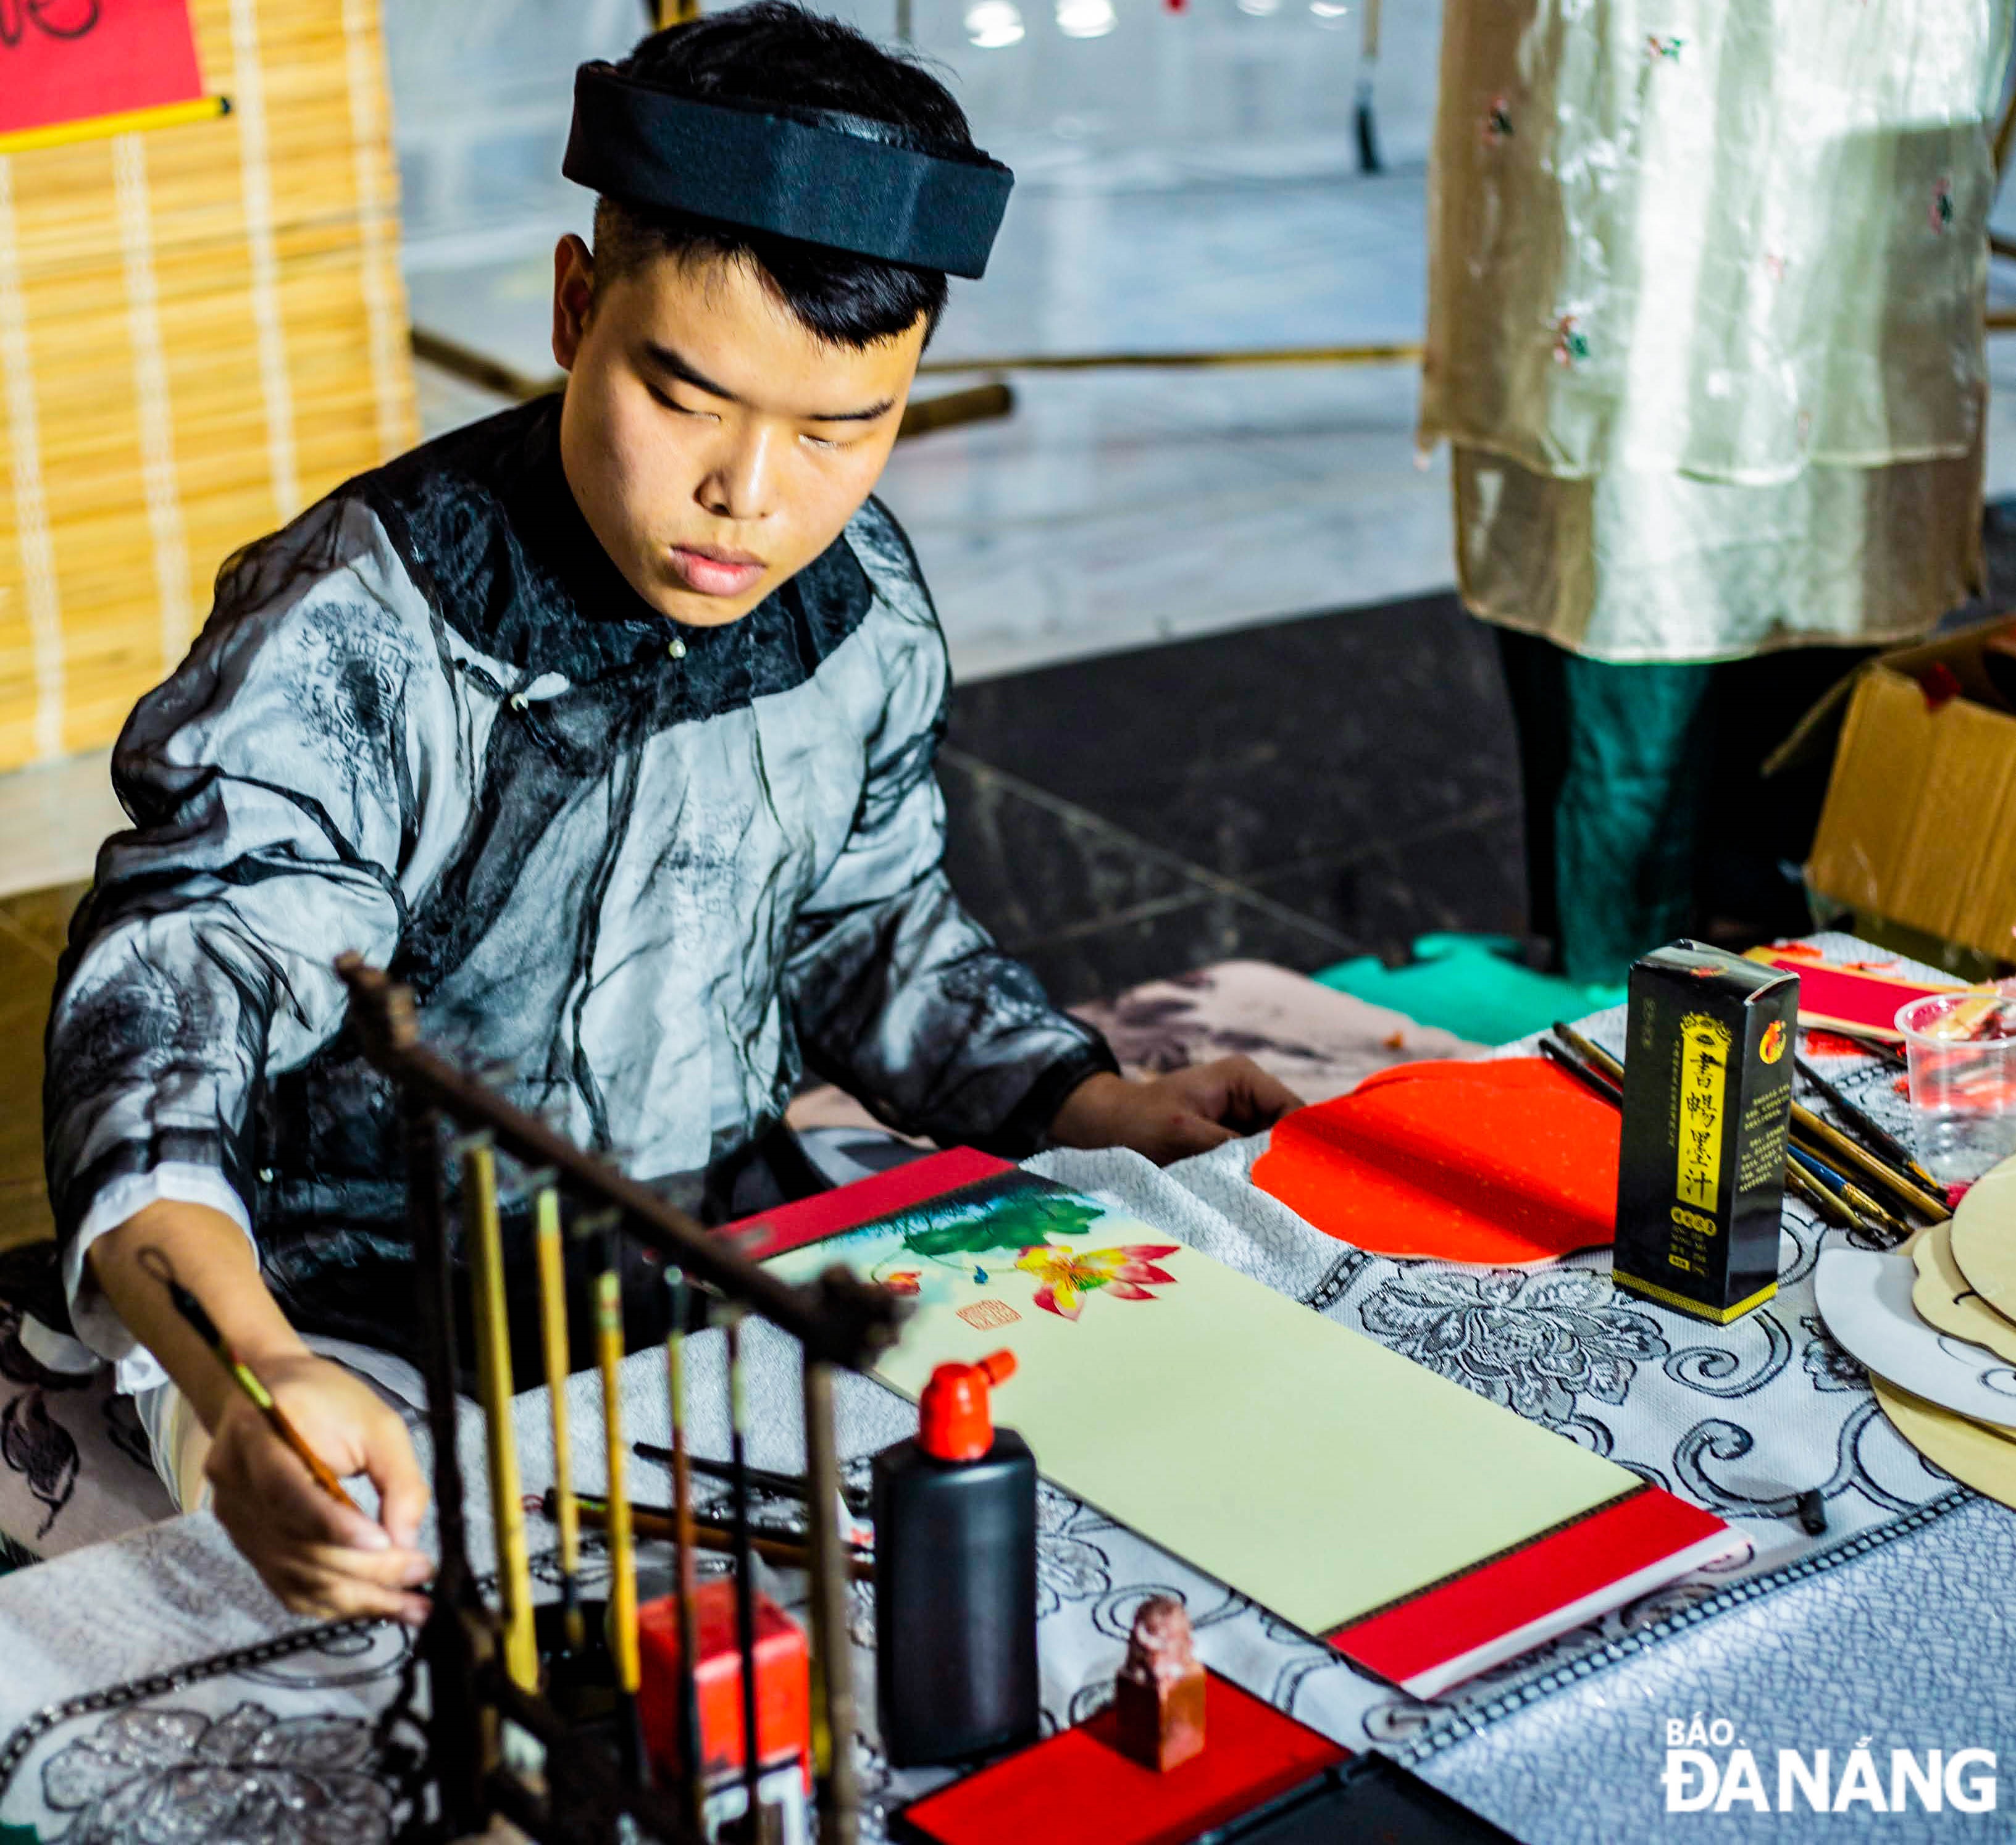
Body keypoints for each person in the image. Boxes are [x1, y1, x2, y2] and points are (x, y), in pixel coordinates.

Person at [38, 3, 1298, 1627]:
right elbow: (167, 1012)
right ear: (577, 305)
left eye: (842, 430)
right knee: (426, 1641)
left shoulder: (858, 606)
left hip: (700, 1253)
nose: (751, 496)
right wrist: (244, 1367)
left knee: (1076, 1515)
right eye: (685, 395)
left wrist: (1087, 1100)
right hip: (347, 1304)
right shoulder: (363, 623)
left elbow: (867, 931)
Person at [1421, 2, 2012, 984]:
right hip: (1637, 105)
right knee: (1632, 487)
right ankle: (1611, 1009)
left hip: (1863, 79)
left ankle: (1833, 1005)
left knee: (1845, 431)